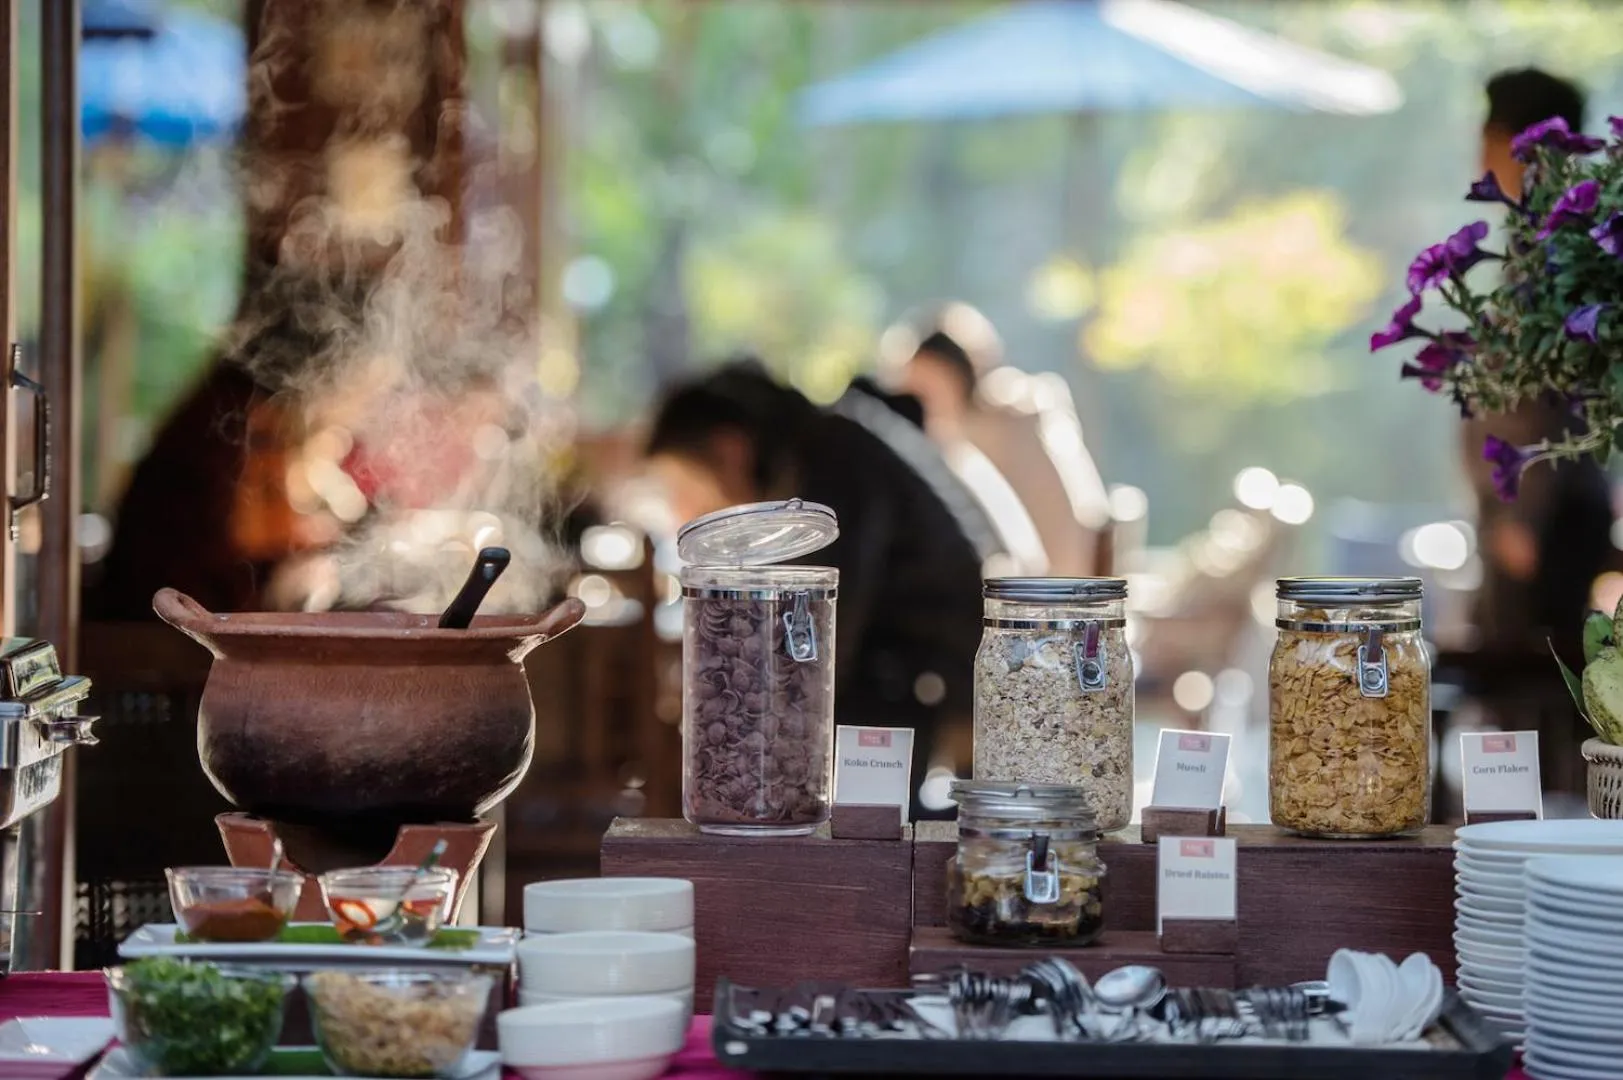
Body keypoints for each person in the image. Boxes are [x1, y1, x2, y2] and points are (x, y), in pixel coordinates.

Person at [645, 360, 996, 816]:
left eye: (683, 486)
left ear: (730, 449)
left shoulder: (835, 468)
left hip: (934, 681)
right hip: (905, 670)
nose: (681, 510)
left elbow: (827, 638)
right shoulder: (824, 449)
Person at [1465, 70, 1615, 662]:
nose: (1480, 152)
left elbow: (1550, 394)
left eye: (1491, 134)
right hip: (1536, 512)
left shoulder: (1561, 247)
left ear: (1517, 145)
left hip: (1544, 519)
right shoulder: (1552, 239)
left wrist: (1521, 516)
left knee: (1537, 686)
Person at [882, 302, 1112, 577]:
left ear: (954, 380)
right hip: (1062, 591)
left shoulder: (988, 436)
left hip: (1043, 597)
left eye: (921, 395)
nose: (913, 412)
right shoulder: (1022, 415)